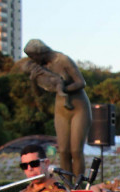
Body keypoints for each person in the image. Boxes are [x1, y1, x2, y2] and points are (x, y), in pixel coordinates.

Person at [23, 39, 91, 177]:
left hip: (78, 106)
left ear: (40, 52)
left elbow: (81, 82)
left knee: (76, 150)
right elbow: (39, 94)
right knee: (64, 150)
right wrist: (33, 81)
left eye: (33, 57)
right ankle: (67, 185)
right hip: (60, 108)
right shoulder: (41, 67)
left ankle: (79, 187)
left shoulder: (63, 60)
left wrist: (62, 87)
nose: (33, 60)